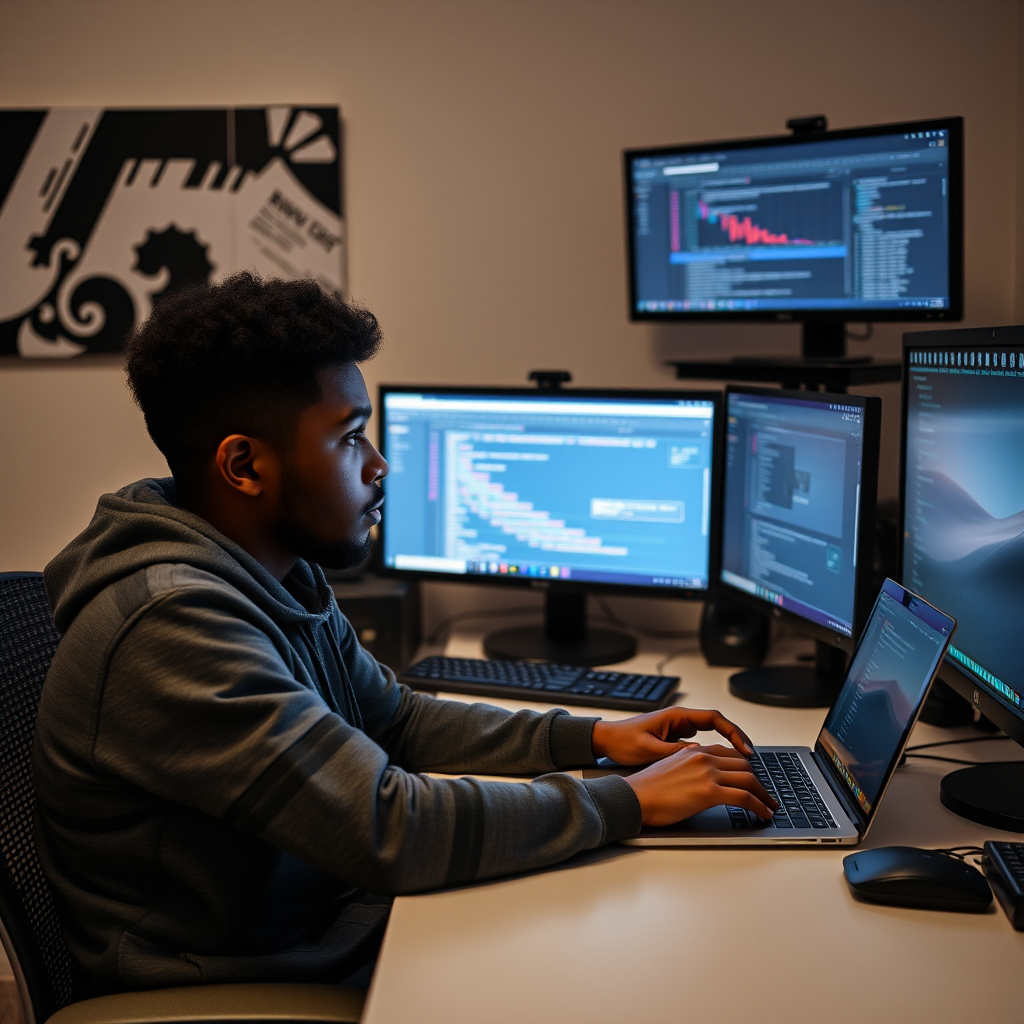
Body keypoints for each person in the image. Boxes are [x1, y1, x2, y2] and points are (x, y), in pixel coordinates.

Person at [33, 273, 777, 998]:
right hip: (233, 974)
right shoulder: (172, 626)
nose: (380, 464)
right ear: (244, 465)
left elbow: (395, 719)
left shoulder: (274, 572)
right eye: (351, 437)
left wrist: (596, 740)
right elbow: (392, 829)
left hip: (317, 917)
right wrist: (629, 801)